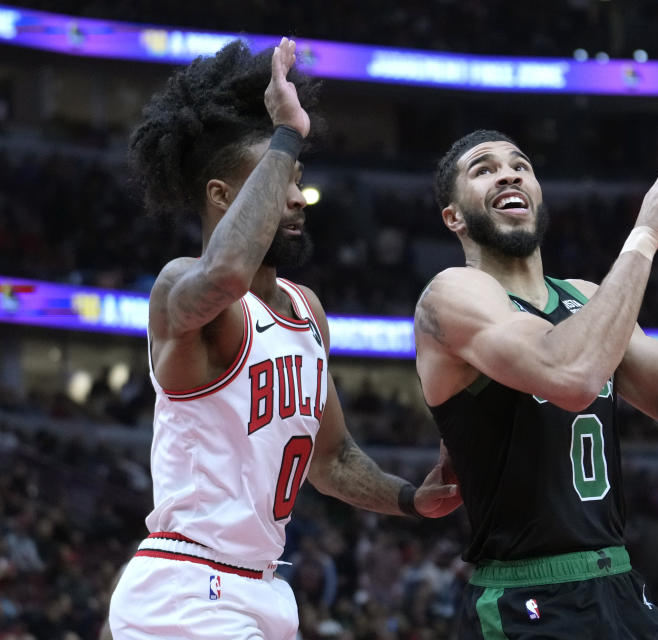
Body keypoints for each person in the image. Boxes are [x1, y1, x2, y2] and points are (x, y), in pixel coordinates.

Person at [108, 38, 460, 639]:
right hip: (190, 584)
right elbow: (224, 273)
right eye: (278, 181)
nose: (296, 197)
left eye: (297, 179)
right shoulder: (179, 290)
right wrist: (286, 132)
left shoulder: (306, 310)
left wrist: (408, 499)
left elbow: (332, 459)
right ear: (221, 197)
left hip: (266, 588)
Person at [414, 129, 658, 638]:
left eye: (520, 165)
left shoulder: (588, 299)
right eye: (483, 169)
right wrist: (644, 236)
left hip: (618, 585)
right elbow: (572, 376)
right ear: (454, 216)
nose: (508, 173)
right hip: (525, 596)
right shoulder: (450, 294)